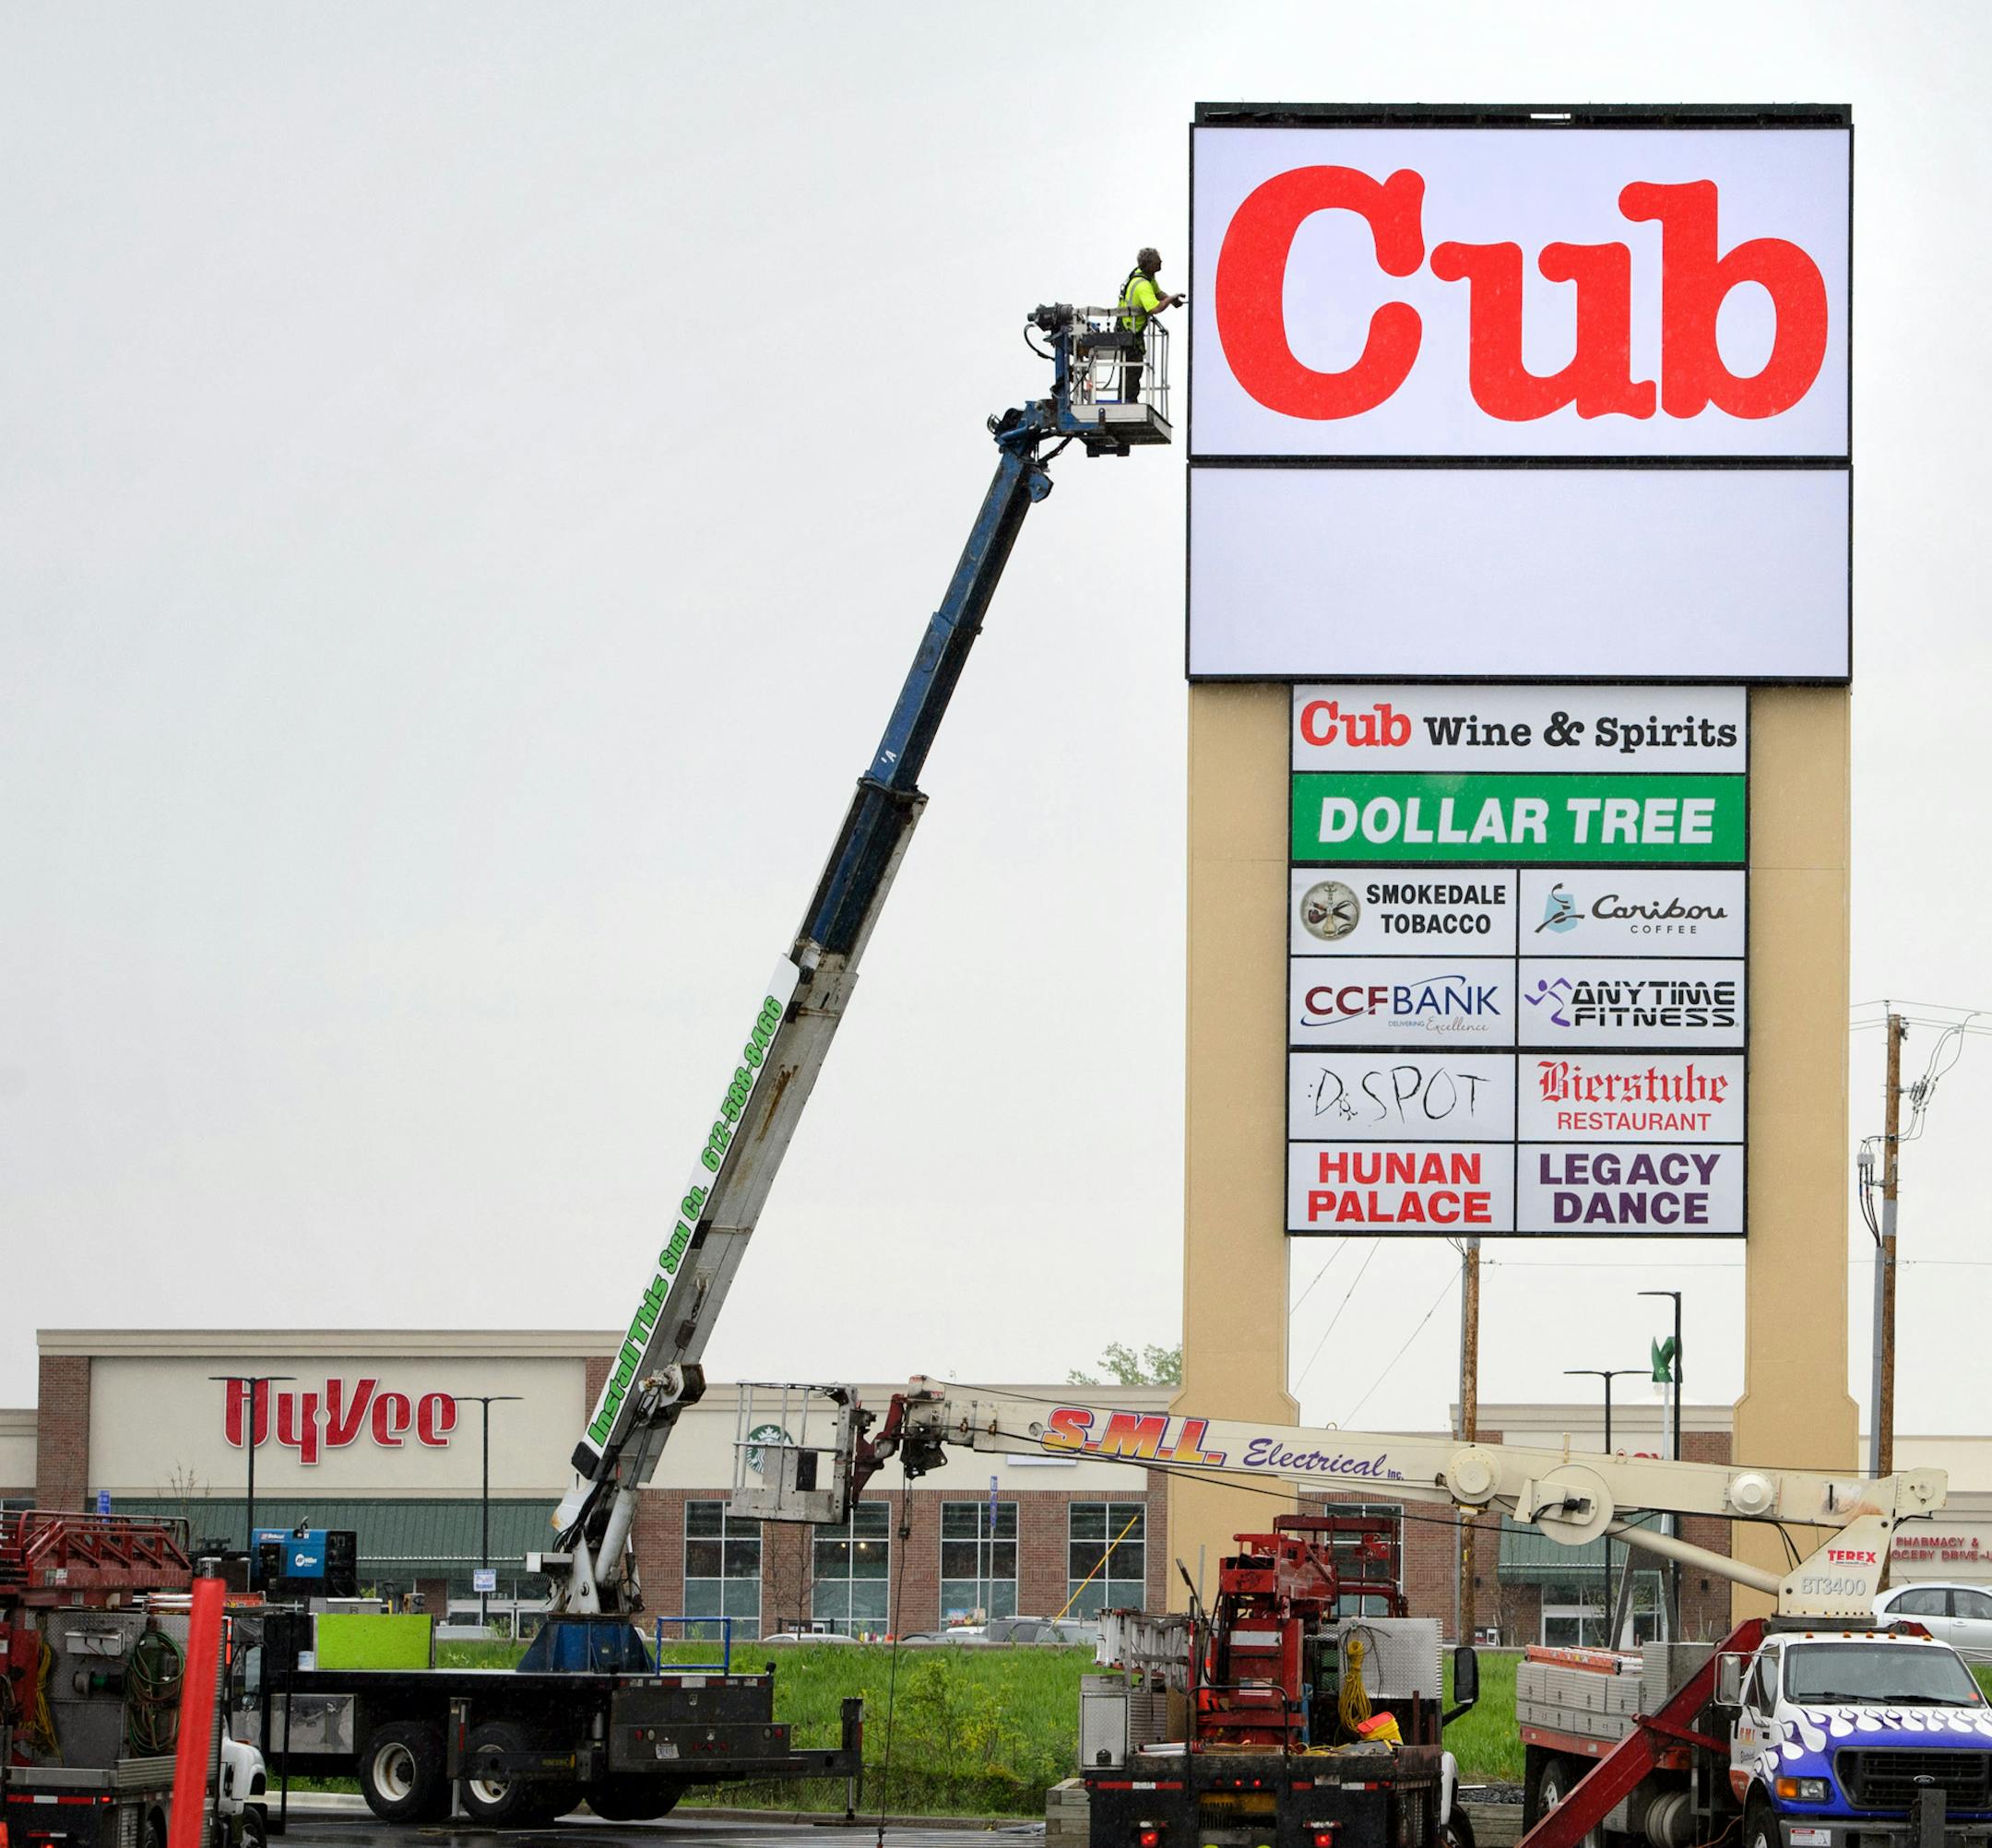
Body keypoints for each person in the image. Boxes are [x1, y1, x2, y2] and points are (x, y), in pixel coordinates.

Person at [1117, 247, 1182, 404]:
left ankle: (1128, 400)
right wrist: (1170, 299)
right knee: (1132, 368)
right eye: (1157, 261)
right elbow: (1155, 308)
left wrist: (1171, 300)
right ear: (1149, 265)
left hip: (1132, 330)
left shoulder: (1147, 277)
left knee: (1133, 368)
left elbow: (1158, 293)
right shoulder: (1142, 285)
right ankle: (1127, 402)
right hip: (1128, 331)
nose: (1161, 262)